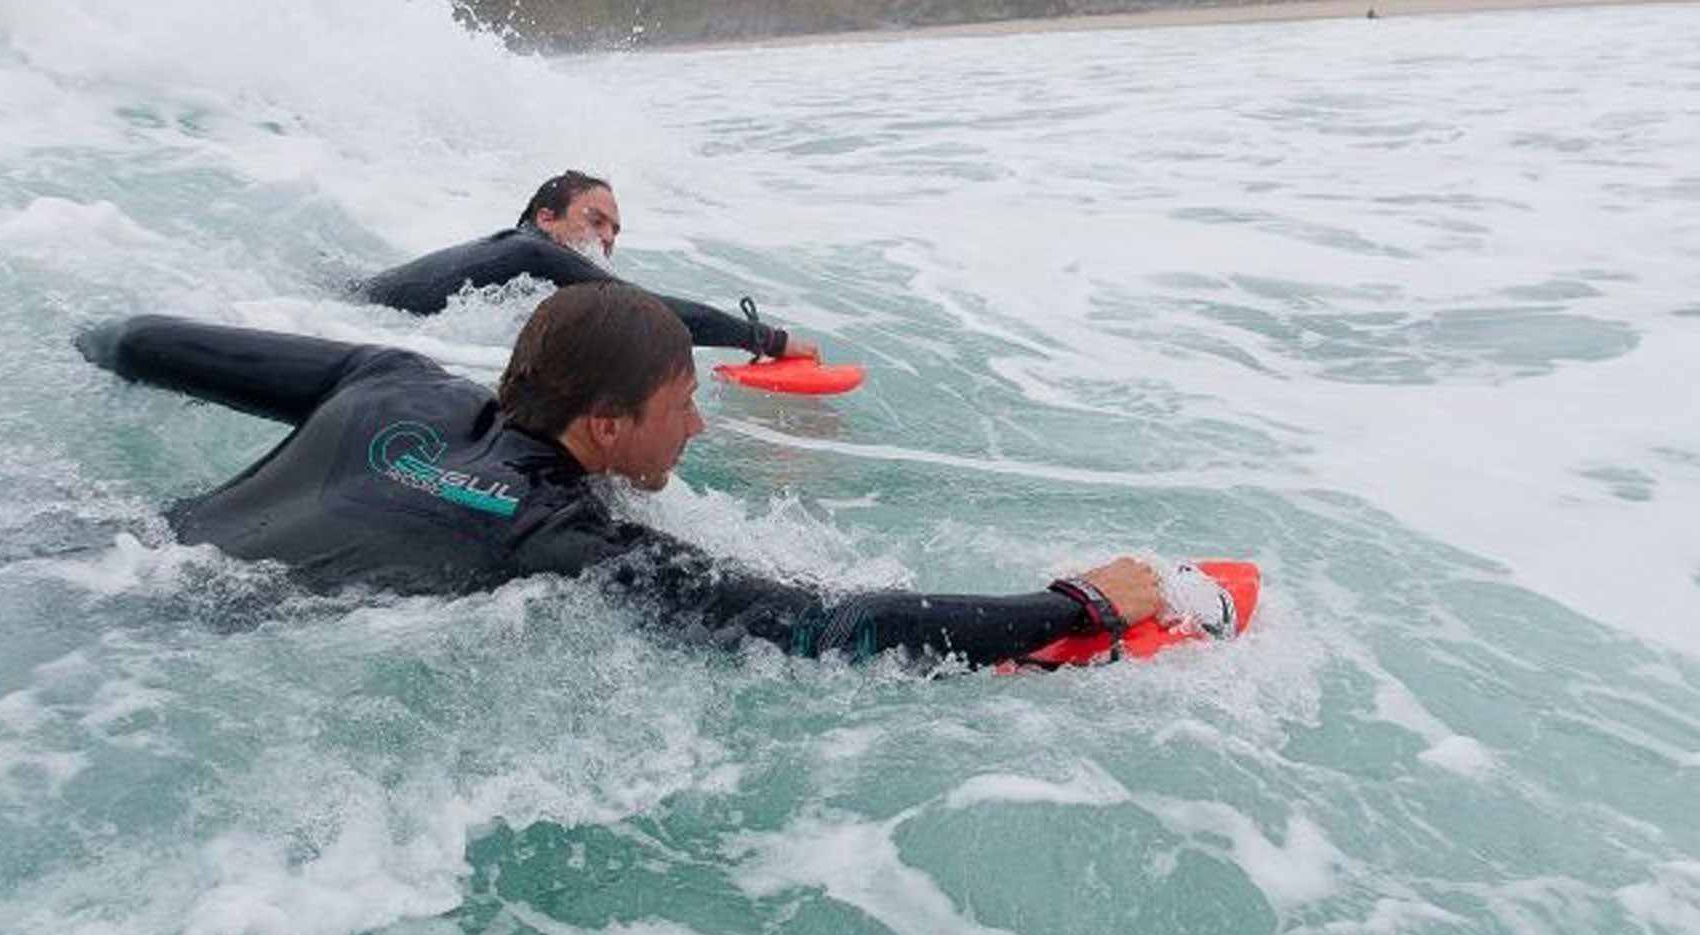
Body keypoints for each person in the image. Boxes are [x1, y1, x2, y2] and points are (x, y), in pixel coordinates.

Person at [77, 283, 1166, 667]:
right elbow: (824, 631)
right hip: (158, 635)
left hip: (97, 559)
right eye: (681, 404)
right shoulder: (552, 541)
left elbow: (147, 343)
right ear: (601, 425)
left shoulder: (384, 381)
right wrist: (1065, 607)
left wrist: (87, 335)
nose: (696, 427)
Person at [358, 170, 818, 360]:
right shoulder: (532, 252)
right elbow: (643, 311)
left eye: (615, 232)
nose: (607, 238)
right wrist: (771, 341)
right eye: (596, 221)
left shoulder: (521, 266)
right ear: (545, 218)